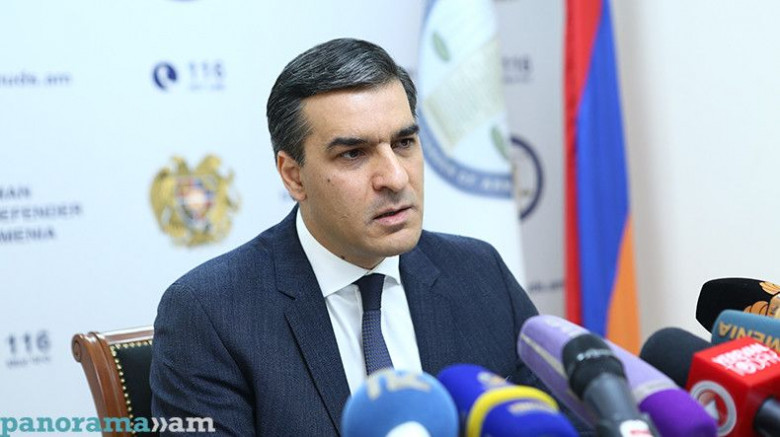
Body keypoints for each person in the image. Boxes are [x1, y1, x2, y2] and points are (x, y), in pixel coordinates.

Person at [150, 38, 565, 436]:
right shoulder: (211, 313)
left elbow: (559, 422)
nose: (395, 178)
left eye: (404, 142)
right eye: (353, 154)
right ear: (294, 176)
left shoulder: (478, 272)